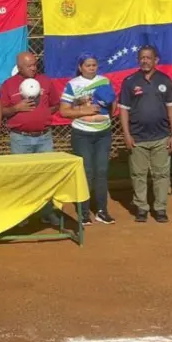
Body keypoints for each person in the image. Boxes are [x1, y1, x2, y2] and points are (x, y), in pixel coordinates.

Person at [119, 46, 172, 223]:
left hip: (161, 136)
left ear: (156, 60)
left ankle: (160, 208)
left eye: (149, 58)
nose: (145, 60)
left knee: (161, 175)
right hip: (137, 138)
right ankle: (141, 208)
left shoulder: (165, 80)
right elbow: (123, 110)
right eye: (142, 58)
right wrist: (127, 134)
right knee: (138, 174)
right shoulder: (129, 81)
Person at [59, 53, 116, 225]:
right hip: (82, 134)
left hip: (102, 133)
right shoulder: (73, 84)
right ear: (80, 67)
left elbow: (112, 104)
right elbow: (64, 110)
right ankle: (84, 212)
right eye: (88, 65)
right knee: (86, 172)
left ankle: (101, 211)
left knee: (101, 171)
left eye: (94, 65)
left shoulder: (105, 81)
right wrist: (85, 112)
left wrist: (105, 118)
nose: (91, 68)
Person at [1, 52, 59, 154]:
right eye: (29, 66)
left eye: (35, 65)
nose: (33, 68)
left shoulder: (45, 80)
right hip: (20, 139)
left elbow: (56, 104)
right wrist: (16, 108)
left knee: (46, 169)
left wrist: (44, 113)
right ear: (19, 68)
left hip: (44, 137)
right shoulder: (8, 84)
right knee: (22, 169)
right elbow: (1, 111)